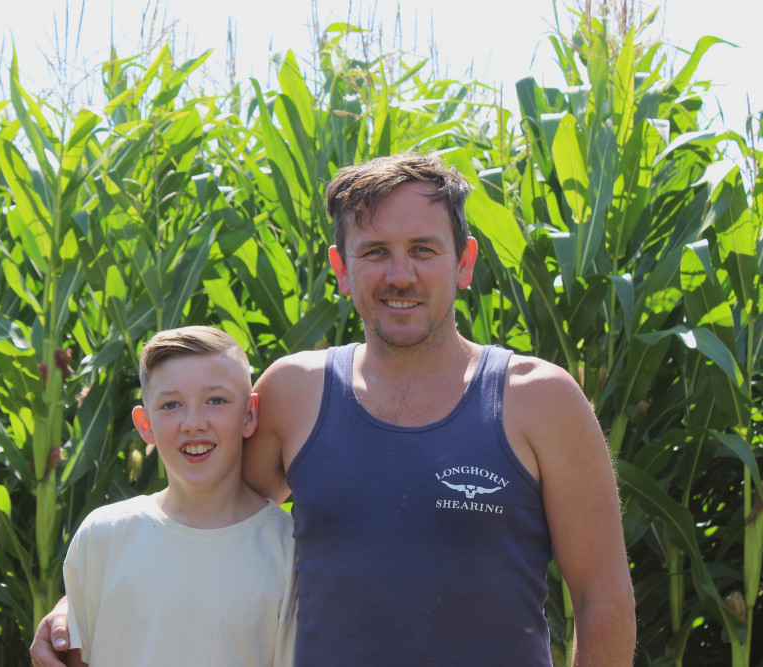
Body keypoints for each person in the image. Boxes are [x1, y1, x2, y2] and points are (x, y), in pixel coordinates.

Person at [31, 153, 636, 666]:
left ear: (465, 261)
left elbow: (602, 598)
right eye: (374, 252)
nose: (400, 274)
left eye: (423, 249)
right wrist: (81, 603)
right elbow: (201, 522)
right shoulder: (295, 395)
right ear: (341, 270)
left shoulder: (540, 399)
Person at [49, 326, 296, 667]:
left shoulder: (288, 550)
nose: (193, 423)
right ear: (144, 423)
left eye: (216, 400)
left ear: (249, 414)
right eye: (171, 405)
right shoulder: (102, 536)